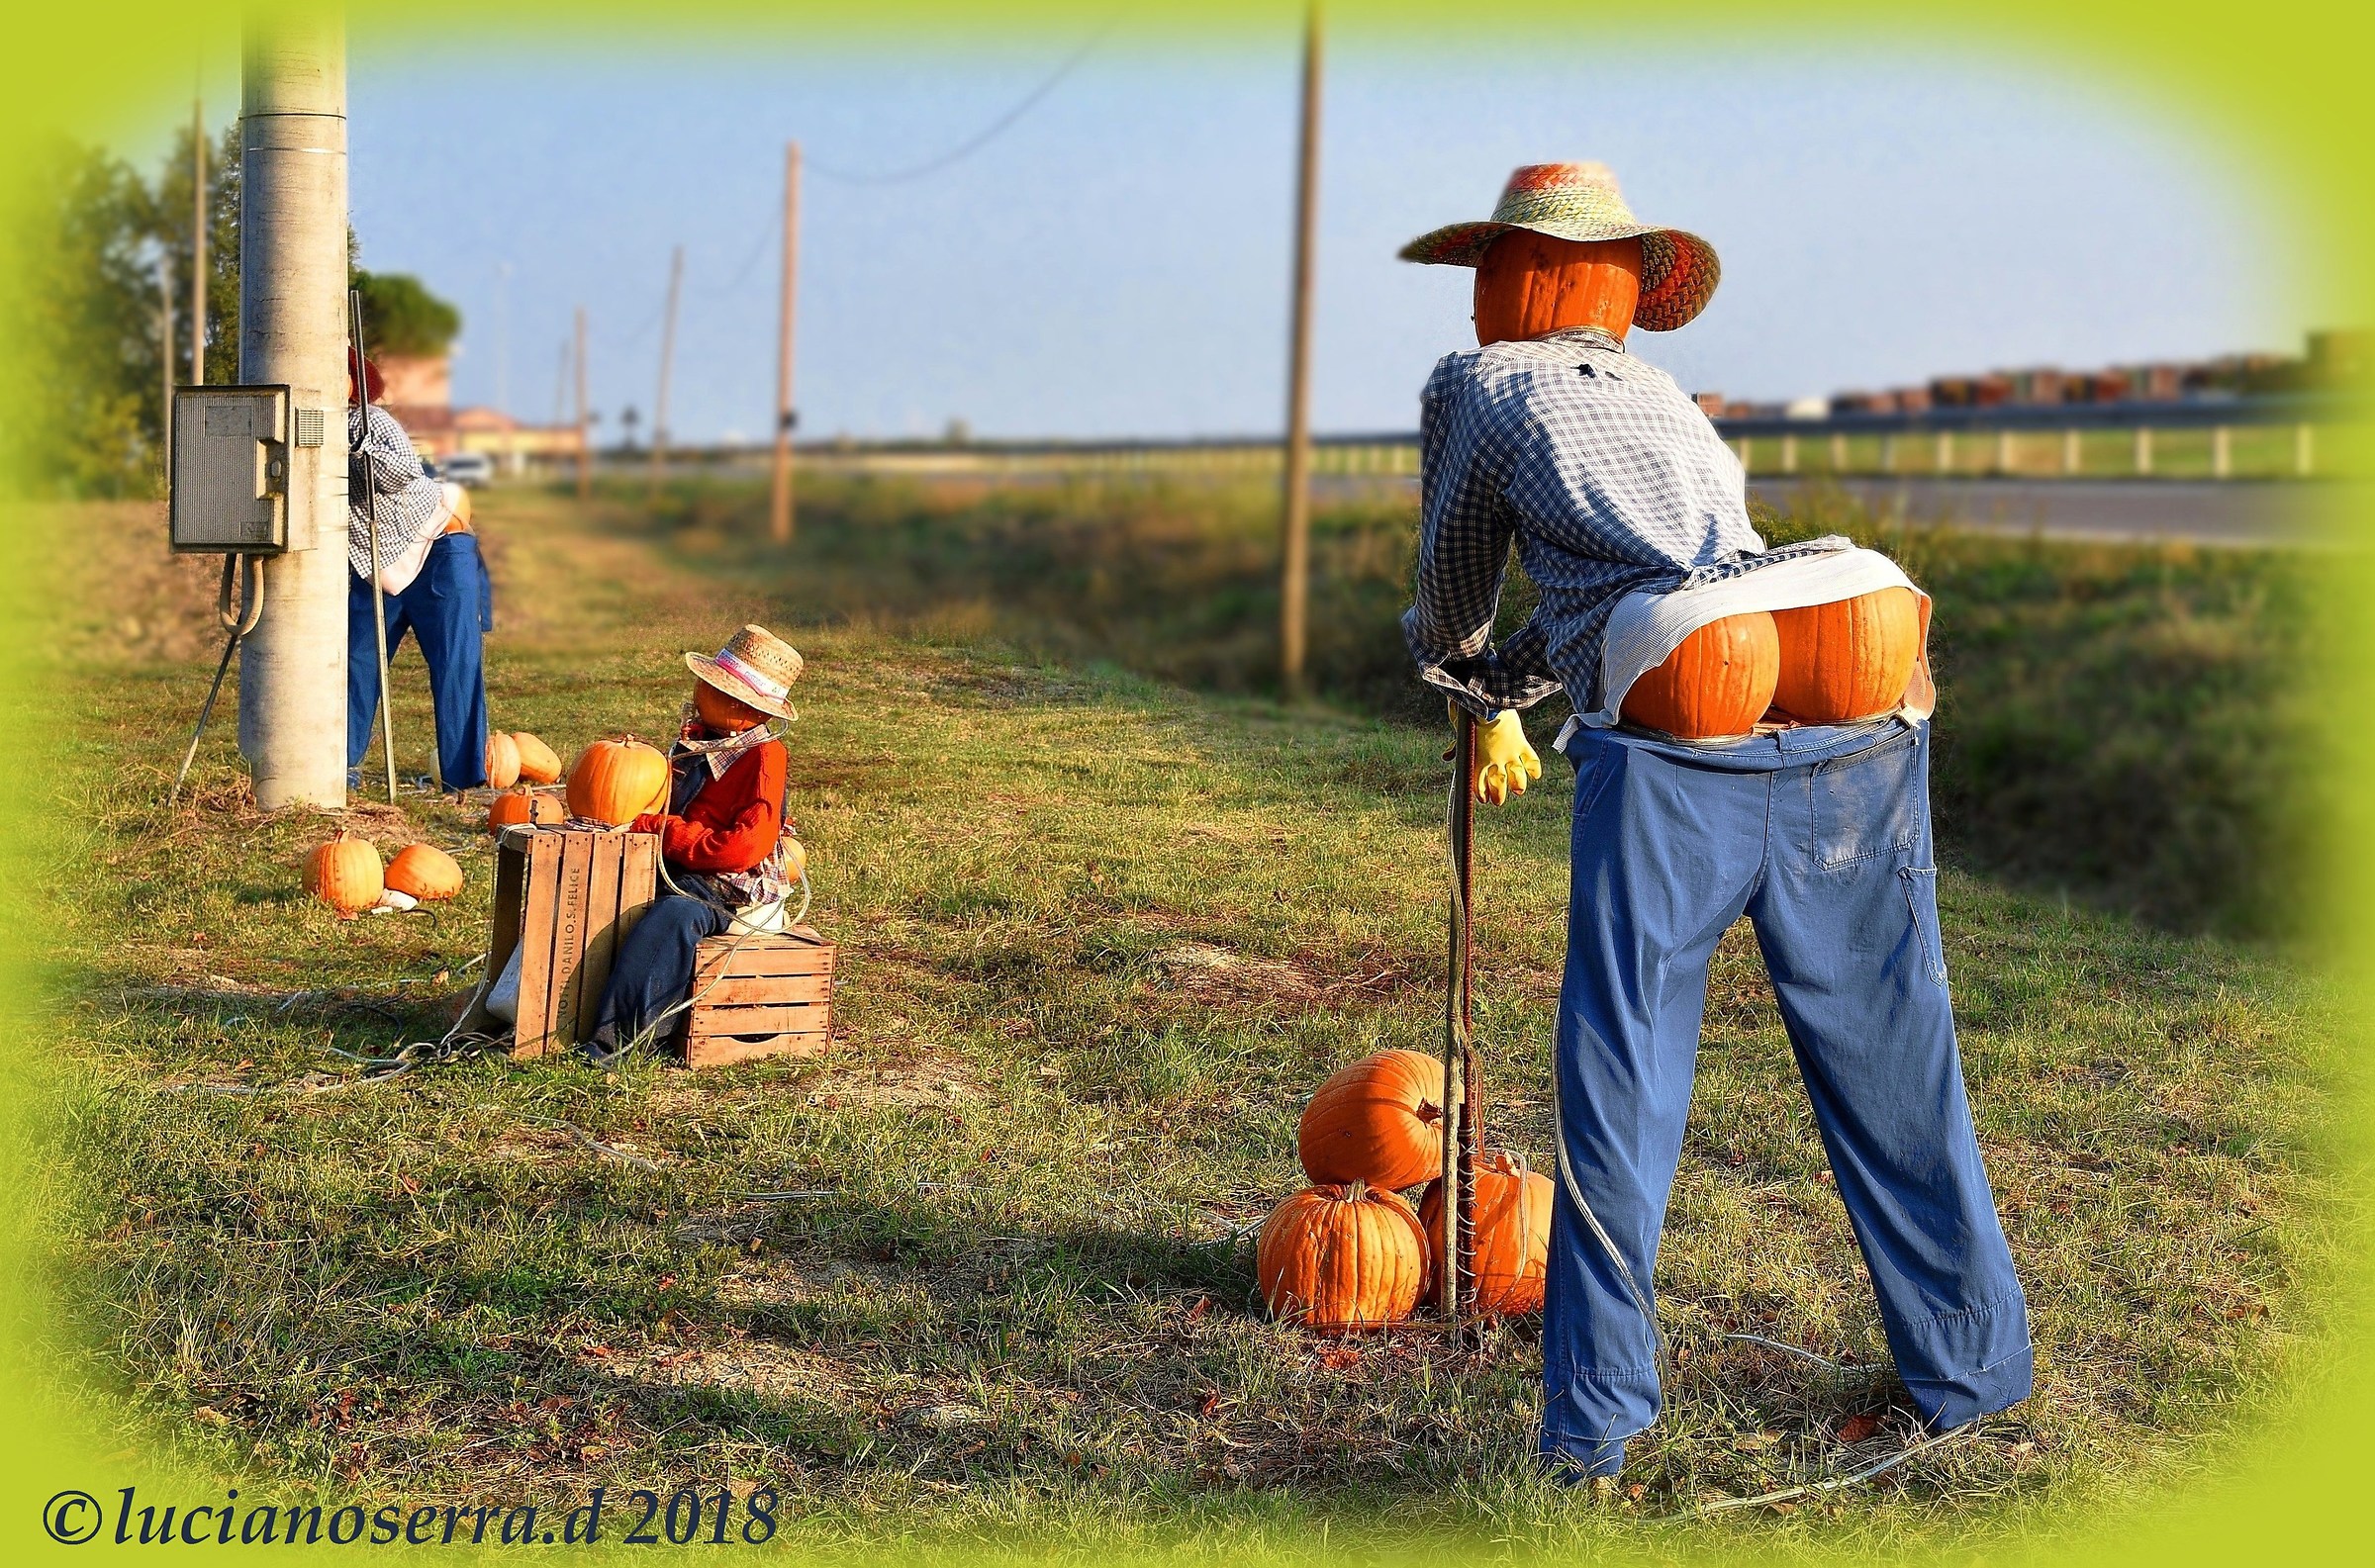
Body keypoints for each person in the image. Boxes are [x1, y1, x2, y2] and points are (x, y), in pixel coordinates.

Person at [1397, 162, 2031, 1480]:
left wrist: (1468, 687)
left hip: (1680, 720)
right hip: (1845, 667)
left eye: (1483, 271)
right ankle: (1969, 1364)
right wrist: (1525, 677)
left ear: (1512, 275)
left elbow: (1460, 583)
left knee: (1622, 1082)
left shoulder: (1479, 386)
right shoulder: (1665, 394)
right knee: (1895, 1047)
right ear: (1627, 289)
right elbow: (1675, 570)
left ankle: (1595, 1432)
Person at [582, 624, 808, 1066]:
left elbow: (743, 848)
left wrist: (661, 829)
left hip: (725, 884)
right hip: (677, 863)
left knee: (675, 916)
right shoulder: (696, 741)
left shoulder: (763, 757)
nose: (699, 690)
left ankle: (618, 1042)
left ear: (738, 704)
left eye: (709, 685)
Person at [346, 349, 493, 793]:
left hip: (439, 550)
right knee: (356, 660)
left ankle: (462, 779)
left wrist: (354, 447)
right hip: (373, 563)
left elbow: (403, 473)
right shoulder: (302, 429)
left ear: (357, 384)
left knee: (455, 662)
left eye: (342, 375)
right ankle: (341, 766)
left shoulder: (371, 422)